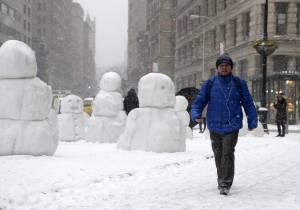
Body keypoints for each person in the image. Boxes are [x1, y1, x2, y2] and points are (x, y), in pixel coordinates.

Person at [191, 53, 258, 195]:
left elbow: (248, 103)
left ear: (231, 68)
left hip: (232, 124)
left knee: (227, 153)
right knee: (218, 153)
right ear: (217, 68)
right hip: (214, 125)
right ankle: (222, 178)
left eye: (227, 65)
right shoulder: (210, 83)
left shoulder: (239, 83)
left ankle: (224, 183)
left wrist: (252, 120)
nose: (224, 68)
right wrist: (196, 114)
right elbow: (200, 101)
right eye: (221, 66)